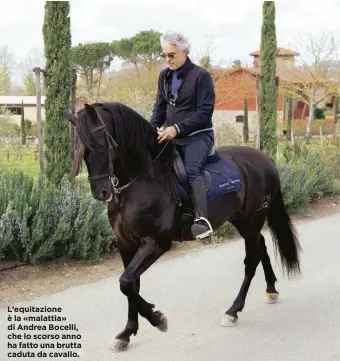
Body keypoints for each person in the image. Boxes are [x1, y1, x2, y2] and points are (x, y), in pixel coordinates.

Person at [150, 30, 215, 241]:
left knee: (191, 171)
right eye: (164, 55)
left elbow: (204, 113)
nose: (167, 59)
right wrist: (151, 130)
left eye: (171, 55)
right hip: (172, 136)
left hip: (199, 136)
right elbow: (159, 108)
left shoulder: (201, 76)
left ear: (184, 52)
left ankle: (202, 221)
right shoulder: (164, 76)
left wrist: (176, 128)